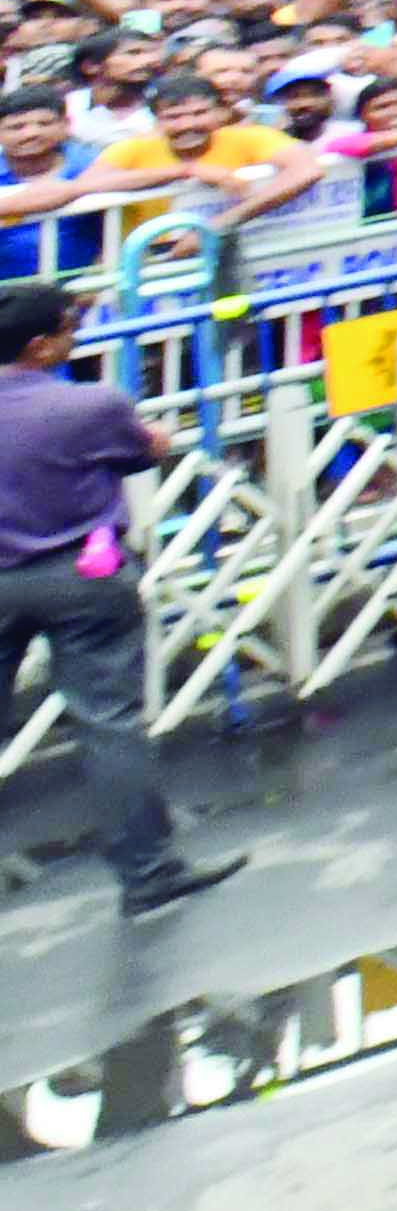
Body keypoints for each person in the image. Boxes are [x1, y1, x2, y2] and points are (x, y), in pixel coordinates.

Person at [0, 278, 226, 913]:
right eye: (69, 329)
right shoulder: (88, 405)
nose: (76, 337)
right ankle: (148, 874)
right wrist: (156, 436)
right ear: (41, 346)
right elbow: (143, 451)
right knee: (109, 728)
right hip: (84, 576)